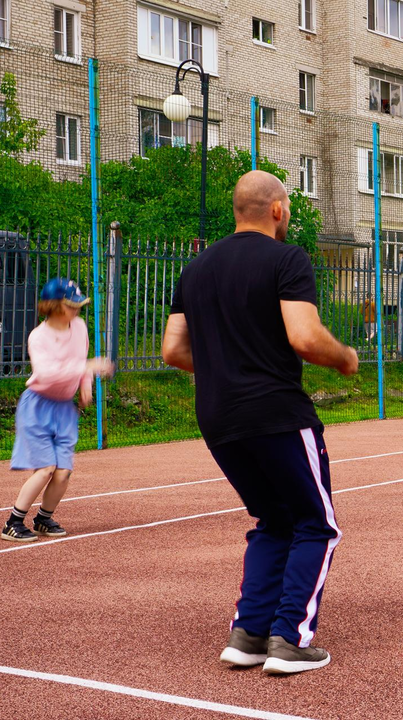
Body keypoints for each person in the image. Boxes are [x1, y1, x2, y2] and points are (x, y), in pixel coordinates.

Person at [161, 170, 359, 675]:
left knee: (273, 520)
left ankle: (248, 635)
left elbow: (173, 350)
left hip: (217, 417)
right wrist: (345, 357)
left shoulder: (196, 269)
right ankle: (291, 638)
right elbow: (305, 336)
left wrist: (228, 367)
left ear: (236, 210)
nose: (288, 213)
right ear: (276, 210)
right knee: (318, 525)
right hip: (276, 412)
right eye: (288, 206)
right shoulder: (286, 258)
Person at [1, 278, 113, 542]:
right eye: (71, 305)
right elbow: (47, 373)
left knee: (63, 471)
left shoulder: (80, 327)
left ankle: (43, 518)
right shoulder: (38, 337)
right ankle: (13, 522)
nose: (77, 310)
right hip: (37, 406)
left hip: (64, 409)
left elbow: (81, 360)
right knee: (46, 468)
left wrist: (86, 385)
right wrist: (86, 369)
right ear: (54, 306)